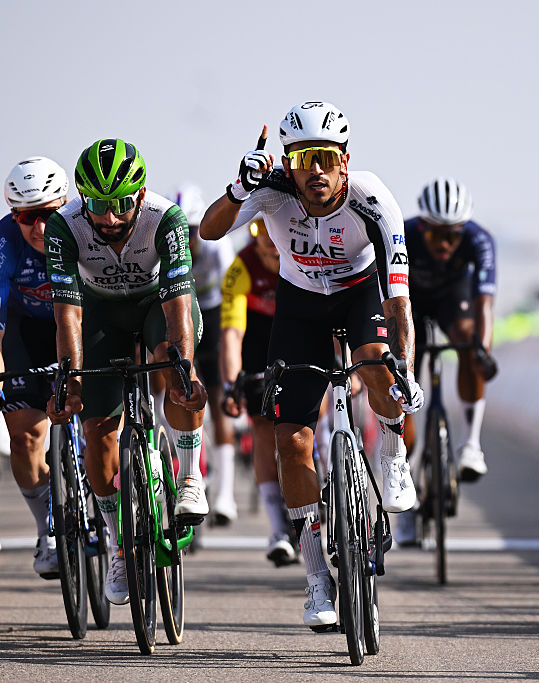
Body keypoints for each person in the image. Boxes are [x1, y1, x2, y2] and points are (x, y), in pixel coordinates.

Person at [199, 101, 424, 629]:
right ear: (287, 161)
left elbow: (398, 300)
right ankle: (317, 576)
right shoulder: (273, 189)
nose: (315, 170)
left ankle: (391, 454)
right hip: (299, 305)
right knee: (291, 440)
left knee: (375, 366)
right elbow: (210, 231)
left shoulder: (372, 198)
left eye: (325, 157)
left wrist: (405, 368)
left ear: (344, 160)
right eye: (303, 158)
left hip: (360, 294)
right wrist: (238, 188)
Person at [45, 139, 208, 605]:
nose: (110, 218)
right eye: (98, 205)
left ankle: (190, 476)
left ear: (139, 196)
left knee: (175, 372)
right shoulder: (63, 226)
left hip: (157, 306)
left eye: (120, 205)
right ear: (82, 199)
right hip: (99, 314)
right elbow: (68, 316)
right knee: (96, 430)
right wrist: (71, 381)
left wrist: (185, 367)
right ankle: (120, 542)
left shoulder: (166, 218)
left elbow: (179, 306)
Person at [0, 156, 70, 578]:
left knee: (103, 425)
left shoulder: (86, 234)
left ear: (66, 204)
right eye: (26, 217)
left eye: (48, 214)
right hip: (23, 331)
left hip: (79, 324)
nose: (39, 228)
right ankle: (46, 532)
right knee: (27, 437)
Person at [402, 177, 497, 482]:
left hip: (453, 300)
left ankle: (471, 444)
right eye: (436, 234)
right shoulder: (402, 233)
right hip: (409, 302)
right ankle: (404, 464)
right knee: (401, 373)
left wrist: (481, 351)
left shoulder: (479, 239)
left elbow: (485, 303)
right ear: (422, 225)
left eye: (453, 236)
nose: (445, 244)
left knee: (470, 343)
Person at [219, 216, 298, 565]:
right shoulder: (242, 266)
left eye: (272, 230)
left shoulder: (302, 255)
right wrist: (232, 383)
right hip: (259, 342)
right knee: (264, 431)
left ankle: (329, 464)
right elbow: (232, 335)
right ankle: (279, 528)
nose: (267, 240)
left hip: (299, 333)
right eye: (258, 232)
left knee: (318, 414)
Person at [172, 183, 237, 524]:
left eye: (193, 232)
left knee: (219, 395)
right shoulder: (168, 246)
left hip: (213, 314)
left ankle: (225, 494)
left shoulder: (218, 246)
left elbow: (232, 302)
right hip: (182, 311)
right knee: (177, 387)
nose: (189, 240)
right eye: (182, 233)